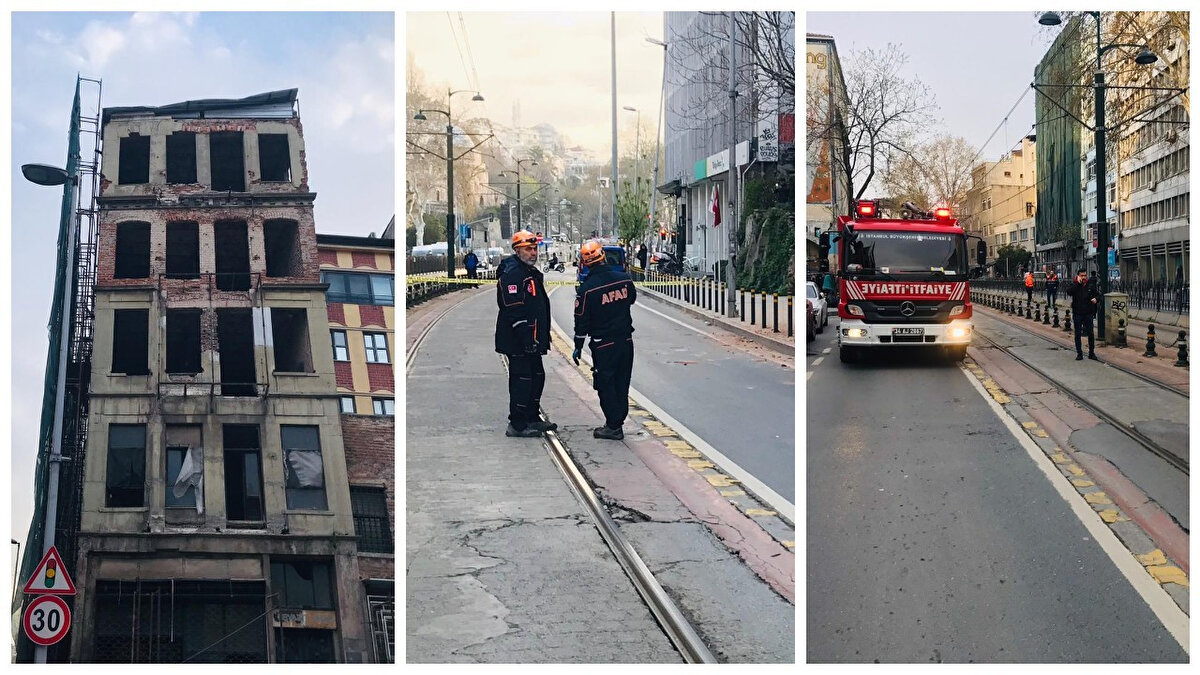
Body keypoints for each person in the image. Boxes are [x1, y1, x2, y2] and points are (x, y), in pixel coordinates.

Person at [572, 240, 637, 440]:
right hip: (626, 341)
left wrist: (578, 346)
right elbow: (631, 299)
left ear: (584, 262)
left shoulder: (586, 290)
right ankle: (619, 420)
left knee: (605, 383)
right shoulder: (624, 279)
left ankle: (613, 425)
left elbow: (581, 321)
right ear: (603, 256)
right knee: (622, 381)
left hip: (603, 344)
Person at [495, 230, 556, 437]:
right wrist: (526, 337)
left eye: (535, 249)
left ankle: (531, 416)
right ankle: (518, 424)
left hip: (533, 338)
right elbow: (514, 308)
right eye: (528, 249)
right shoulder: (513, 273)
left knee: (537, 376)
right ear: (517, 250)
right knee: (522, 379)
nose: (533, 253)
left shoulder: (529, 272)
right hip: (518, 340)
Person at [1067, 269, 1100, 360]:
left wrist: (1096, 299)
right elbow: (1069, 292)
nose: (1084, 277)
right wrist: (1078, 283)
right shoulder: (1074, 284)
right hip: (1078, 313)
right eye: (1082, 275)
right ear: (1078, 276)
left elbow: (1098, 295)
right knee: (1077, 333)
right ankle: (1079, 353)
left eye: (1085, 275)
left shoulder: (1090, 285)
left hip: (1088, 312)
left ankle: (1091, 353)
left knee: (1090, 333)